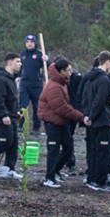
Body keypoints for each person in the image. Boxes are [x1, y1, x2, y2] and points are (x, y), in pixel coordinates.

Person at [76, 50, 110, 190]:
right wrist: (91, 115)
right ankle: (99, 181)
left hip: (93, 121)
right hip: (102, 120)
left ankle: (92, 178)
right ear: (107, 62)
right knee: (103, 151)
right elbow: (99, 100)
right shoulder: (104, 79)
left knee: (94, 150)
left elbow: (86, 99)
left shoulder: (90, 78)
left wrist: (87, 115)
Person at [34, 54, 79, 188]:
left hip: (61, 121)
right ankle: (49, 177)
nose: (71, 73)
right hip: (52, 122)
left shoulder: (62, 83)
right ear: (62, 71)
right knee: (53, 149)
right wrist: (80, 116)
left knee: (68, 147)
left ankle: (56, 170)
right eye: (68, 70)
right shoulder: (54, 86)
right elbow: (61, 107)